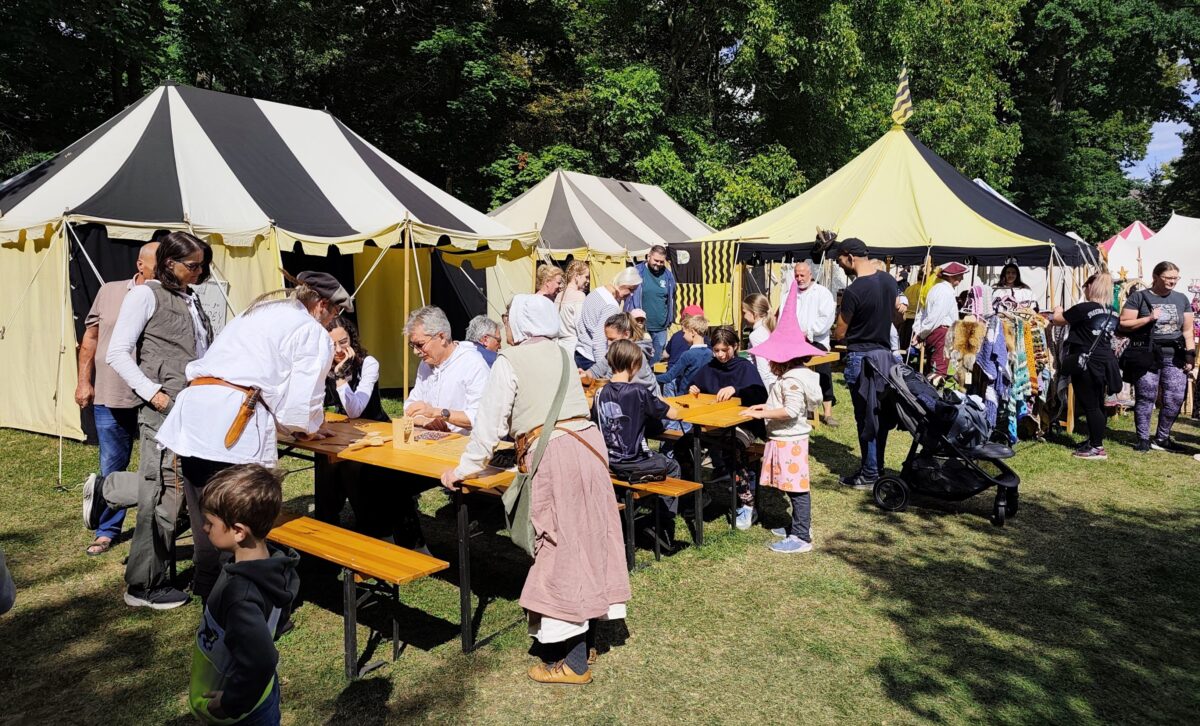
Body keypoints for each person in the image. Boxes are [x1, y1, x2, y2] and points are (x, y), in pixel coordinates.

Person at [441, 294, 629, 685]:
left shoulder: (511, 359)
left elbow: (489, 425)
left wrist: (463, 470)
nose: (505, 323)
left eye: (509, 316)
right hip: (590, 447)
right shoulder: (563, 352)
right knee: (589, 539)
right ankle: (588, 639)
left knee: (559, 547)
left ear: (522, 322)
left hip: (557, 453)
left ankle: (574, 661)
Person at [156, 271, 344, 602]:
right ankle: (243, 602)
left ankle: (208, 588)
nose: (334, 321)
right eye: (336, 313)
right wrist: (311, 427)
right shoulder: (310, 330)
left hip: (196, 413)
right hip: (231, 424)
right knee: (243, 516)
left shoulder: (260, 311)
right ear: (323, 305)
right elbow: (300, 407)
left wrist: (299, 423)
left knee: (208, 512)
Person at [103, 231, 214, 609]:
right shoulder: (145, 295)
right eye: (193, 265)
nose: (201, 271)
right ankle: (144, 586)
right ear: (169, 263)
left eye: (203, 264)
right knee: (161, 492)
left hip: (193, 412)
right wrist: (155, 394)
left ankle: (109, 488)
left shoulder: (192, 297)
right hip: (163, 412)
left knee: (184, 492)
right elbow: (116, 353)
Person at [190, 465, 299, 725]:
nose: (204, 528)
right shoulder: (275, 566)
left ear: (239, 531)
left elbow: (261, 660)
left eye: (210, 522)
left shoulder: (241, 595)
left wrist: (228, 704)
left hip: (242, 712)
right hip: (261, 697)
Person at [76, 241, 158, 557]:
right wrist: (84, 382)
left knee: (158, 466)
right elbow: (91, 339)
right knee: (112, 463)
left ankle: (154, 524)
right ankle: (107, 530)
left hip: (154, 395)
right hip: (111, 393)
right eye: (158, 262)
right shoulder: (109, 292)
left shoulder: (169, 296)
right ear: (140, 265)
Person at [739, 280, 824, 554]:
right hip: (783, 437)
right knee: (790, 485)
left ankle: (801, 536)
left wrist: (761, 410)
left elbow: (790, 410)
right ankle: (799, 525)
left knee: (797, 489)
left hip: (790, 438)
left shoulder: (791, 381)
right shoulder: (790, 377)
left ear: (782, 359)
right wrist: (762, 410)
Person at [594, 339, 685, 551]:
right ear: (634, 365)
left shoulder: (599, 393)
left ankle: (637, 517)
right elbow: (670, 413)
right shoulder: (638, 391)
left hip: (608, 461)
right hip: (633, 463)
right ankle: (660, 524)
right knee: (672, 467)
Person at [832, 238, 898, 490]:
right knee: (878, 415)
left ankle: (870, 472)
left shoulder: (854, 291)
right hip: (884, 357)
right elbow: (896, 318)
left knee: (865, 417)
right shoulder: (889, 281)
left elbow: (840, 333)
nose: (841, 267)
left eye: (840, 261)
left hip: (861, 357)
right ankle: (875, 465)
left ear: (850, 256)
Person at [688, 327, 768, 529]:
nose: (721, 355)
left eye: (725, 350)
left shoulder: (745, 368)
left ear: (735, 347)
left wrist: (737, 390)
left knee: (731, 448)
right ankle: (699, 493)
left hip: (745, 425)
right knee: (683, 446)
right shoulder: (710, 367)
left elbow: (760, 395)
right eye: (716, 350)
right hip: (714, 424)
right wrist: (693, 388)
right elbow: (696, 384)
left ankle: (747, 503)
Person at [1119, 261, 1196, 452]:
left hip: (1175, 355)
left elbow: (1187, 331)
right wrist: (1148, 318)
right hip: (1147, 354)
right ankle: (1143, 439)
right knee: (1146, 396)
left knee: (1175, 397)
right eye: (1168, 278)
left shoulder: (1182, 299)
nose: (1173, 282)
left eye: (1175, 278)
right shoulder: (1139, 297)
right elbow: (1123, 324)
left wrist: (1190, 355)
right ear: (1155, 277)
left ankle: (1162, 437)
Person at [1051, 273, 1121, 460]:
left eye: (1085, 286)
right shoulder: (1113, 311)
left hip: (1087, 361)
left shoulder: (1084, 308)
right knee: (1098, 403)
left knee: (1091, 405)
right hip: (1105, 361)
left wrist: (1057, 309)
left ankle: (1097, 447)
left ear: (1091, 287)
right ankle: (1094, 440)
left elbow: (1058, 320)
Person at [792, 260, 838, 425]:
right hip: (795, 341)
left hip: (817, 340)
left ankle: (827, 412)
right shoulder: (790, 293)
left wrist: (809, 332)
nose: (799, 278)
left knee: (823, 371)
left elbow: (826, 319)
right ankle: (799, 406)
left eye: (802, 275)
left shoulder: (822, 293)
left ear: (810, 275)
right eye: (796, 275)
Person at [575, 267, 642, 370]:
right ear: (623, 284)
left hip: (580, 352)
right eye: (631, 289)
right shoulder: (611, 306)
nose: (632, 294)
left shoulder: (597, 291)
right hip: (592, 359)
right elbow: (600, 339)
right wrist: (603, 370)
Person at [623, 245, 677, 364]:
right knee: (638, 359)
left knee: (656, 361)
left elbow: (672, 298)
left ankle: (654, 382)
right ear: (648, 257)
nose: (658, 264)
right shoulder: (637, 272)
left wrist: (670, 319)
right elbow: (627, 296)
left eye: (661, 262)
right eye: (655, 260)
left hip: (660, 327)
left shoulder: (668, 276)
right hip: (639, 326)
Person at [913, 261, 967, 377]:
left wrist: (920, 331)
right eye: (960, 275)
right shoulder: (944, 291)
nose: (962, 278)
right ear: (951, 276)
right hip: (941, 334)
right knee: (938, 373)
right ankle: (933, 394)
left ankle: (931, 393)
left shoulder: (936, 289)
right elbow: (934, 317)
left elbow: (922, 313)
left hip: (936, 333)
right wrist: (921, 334)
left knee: (936, 369)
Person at [585, 313, 661, 394]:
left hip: (647, 402)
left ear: (626, 335)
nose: (608, 343)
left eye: (612, 339)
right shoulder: (614, 350)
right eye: (607, 339)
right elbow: (596, 370)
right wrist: (585, 375)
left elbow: (617, 383)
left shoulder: (636, 355)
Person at [326, 316, 385, 421]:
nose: (338, 350)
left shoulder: (368, 364)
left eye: (343, 342)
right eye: (332, 345)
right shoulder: (325, 366)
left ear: (351, 340)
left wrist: (340, 375)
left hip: (374, 426)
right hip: (343, 428)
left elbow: (354, 411)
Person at [656, 315, 711, 395]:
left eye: (684, 332)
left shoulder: (688, 355)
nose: (683, 336)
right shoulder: (710, 353)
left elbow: (669, 377)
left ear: (692, 332)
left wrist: (649, 378)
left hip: (685, 397)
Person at [743, 293, 777, 388]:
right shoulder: (769, 328)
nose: (743, 316)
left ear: (754, 313)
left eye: (744, 312)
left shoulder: (756, 335)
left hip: (768, 384)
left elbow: (763, 369)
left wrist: (768, 395)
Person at [556, 260, 591, 354]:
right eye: (586, 277)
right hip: (572, 347)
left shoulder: (559, 295)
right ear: (576, 276)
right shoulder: (579, 295)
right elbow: (581, 326)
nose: (588, 281)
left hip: (558, 345)